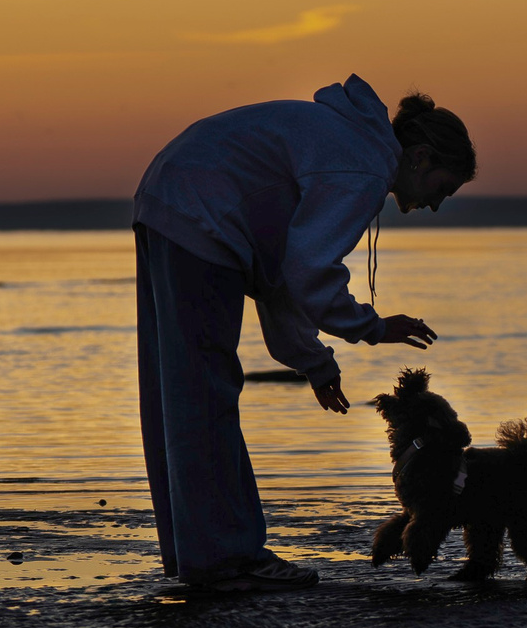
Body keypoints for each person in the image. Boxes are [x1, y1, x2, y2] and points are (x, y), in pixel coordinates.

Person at [133, 76, 475, 592]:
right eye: (442, 189)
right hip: (199, 211)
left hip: (170, 201)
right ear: (421, 157)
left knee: (179, 392)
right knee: (203, 393)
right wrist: (374, 328)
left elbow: (280, 275)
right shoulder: (360, 166)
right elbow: (309, 270)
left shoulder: (350, 147)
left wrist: (314, 361)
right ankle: (225, 559)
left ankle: (195, 555)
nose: (436, 204)